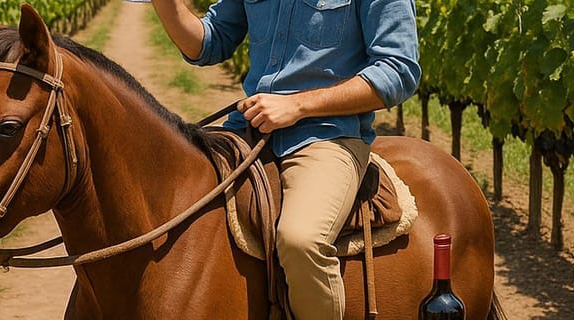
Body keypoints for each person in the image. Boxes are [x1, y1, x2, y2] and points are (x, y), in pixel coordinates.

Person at [150, 0, 420, 318]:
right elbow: (211, 41)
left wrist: (297, 106)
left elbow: (399, 69)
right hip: (247, 134)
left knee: (301, 241)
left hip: (326, 136)